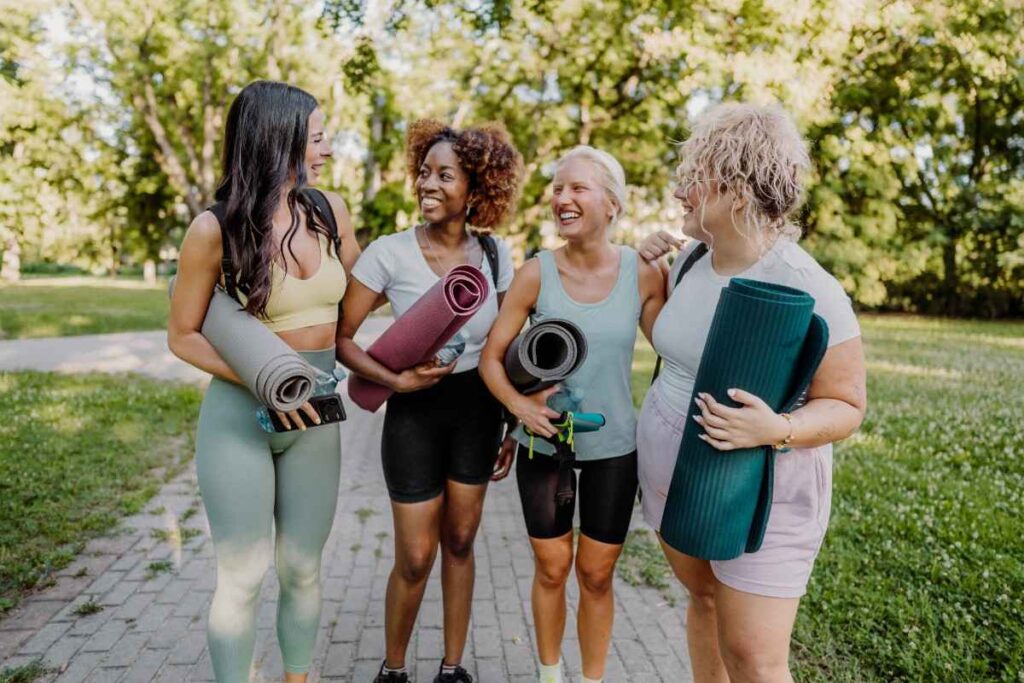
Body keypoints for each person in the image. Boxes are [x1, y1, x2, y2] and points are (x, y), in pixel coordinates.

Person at [635, 102, 867, 683]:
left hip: (763, 492)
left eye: (695, 177)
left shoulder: (808, 285)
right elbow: (673, 339)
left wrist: (778, 430)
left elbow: (846, 405)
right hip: (679, 484)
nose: (679, 190)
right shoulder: (689, 262)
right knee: (704, 604)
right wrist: (643, 271)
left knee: (754, 661)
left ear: (738, 190)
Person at [168, 81, 359, 683]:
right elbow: (183, 334)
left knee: (302, 568)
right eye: (318, 136)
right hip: (240, 421)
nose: (327, 148)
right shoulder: (213, 228)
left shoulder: (328, 212)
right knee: (243, 575)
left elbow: (370, 291)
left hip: (316, 421)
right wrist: (262, 381)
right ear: (280, 139)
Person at [336, 120, 524, 683]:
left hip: (478, 410)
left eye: (446, 175)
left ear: (477, 189)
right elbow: (342, 338)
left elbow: (508, 345)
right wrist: (394, 381)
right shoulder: (389, 254)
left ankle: (452, 668)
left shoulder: (495, 256)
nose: (429, 184)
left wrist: (512, 424)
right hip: (414, 412)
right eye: (424, 172)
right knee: (416, 556)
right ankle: (393, 670)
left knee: (461, 541)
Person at [479, 146, 666, 683]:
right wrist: (517, 408)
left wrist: (683, 253)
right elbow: (493, 358)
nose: (563, 198)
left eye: (577, 188)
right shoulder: (536, 273)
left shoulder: (645, 271)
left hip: (614, 449)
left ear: (612, 203)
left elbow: (677, 344)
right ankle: (550, 676)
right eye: (558, 188)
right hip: (544, 445)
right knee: (554, 568)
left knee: (597, 573)